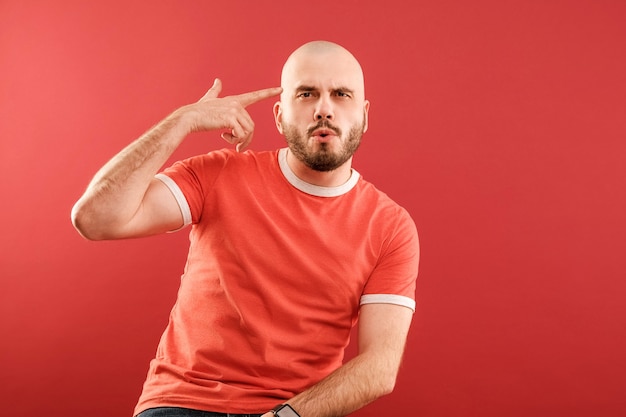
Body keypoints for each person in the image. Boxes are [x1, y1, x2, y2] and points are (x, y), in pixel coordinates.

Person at [71, 40, 419, 417]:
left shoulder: (390, 227)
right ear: (279, 115)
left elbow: (379, 368)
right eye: (306, 94)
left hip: (294, 412)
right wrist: (183, 119)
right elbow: (95, 218)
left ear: (364, 115)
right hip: (184, 404)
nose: (323, 109)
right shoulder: (220, 174)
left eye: (341, 94)